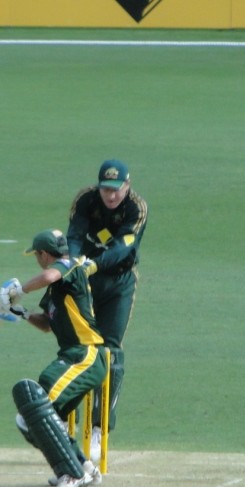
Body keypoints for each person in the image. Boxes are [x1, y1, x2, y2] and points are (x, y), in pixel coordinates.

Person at [0, 229, 107, 487]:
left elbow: (49, 275)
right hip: (72, 355)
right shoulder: (57, 290)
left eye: (37, 256)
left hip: (85, 354)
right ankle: (81, 466)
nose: (38, 261)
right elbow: (46, 324)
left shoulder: (68, 266)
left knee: (34, 408)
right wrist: (19, 311)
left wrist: (17, 290)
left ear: (44, 254)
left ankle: (72, 473)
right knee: (46, 419)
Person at [66, 158, 148, 460]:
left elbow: (124, 245)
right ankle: (64, 420)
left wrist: (95, 264)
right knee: (78, 348)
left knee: (110, 352)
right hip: (85, 278)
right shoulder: (86, 200)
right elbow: (74, 234)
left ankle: (100, 427)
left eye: (116, 190)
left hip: (119, 282)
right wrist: (75, 261)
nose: (110, 196)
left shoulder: (136, 208)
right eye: (106, 189)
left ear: (127, 186)